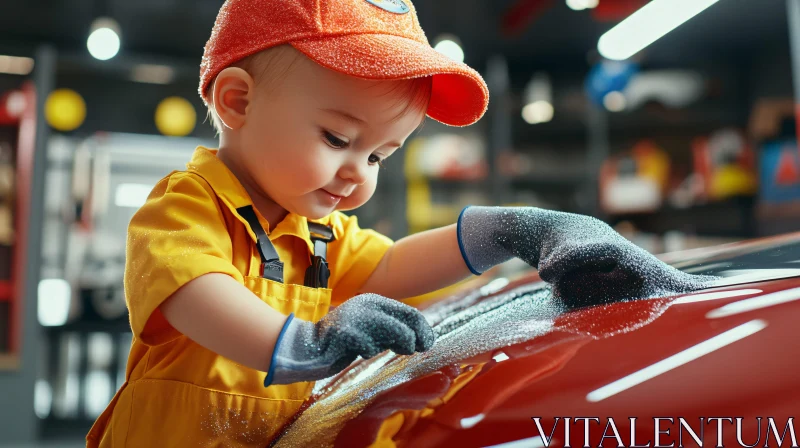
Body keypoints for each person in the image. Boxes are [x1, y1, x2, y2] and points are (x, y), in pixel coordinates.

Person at [87, 0, 710, 446]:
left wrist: (512, 231)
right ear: (238, 101)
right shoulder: (187, 205)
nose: (358, 173)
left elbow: (389, 266)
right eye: (338, 137)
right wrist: (310, 343)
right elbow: (200, 294)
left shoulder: (317, 233)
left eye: (380, 155)